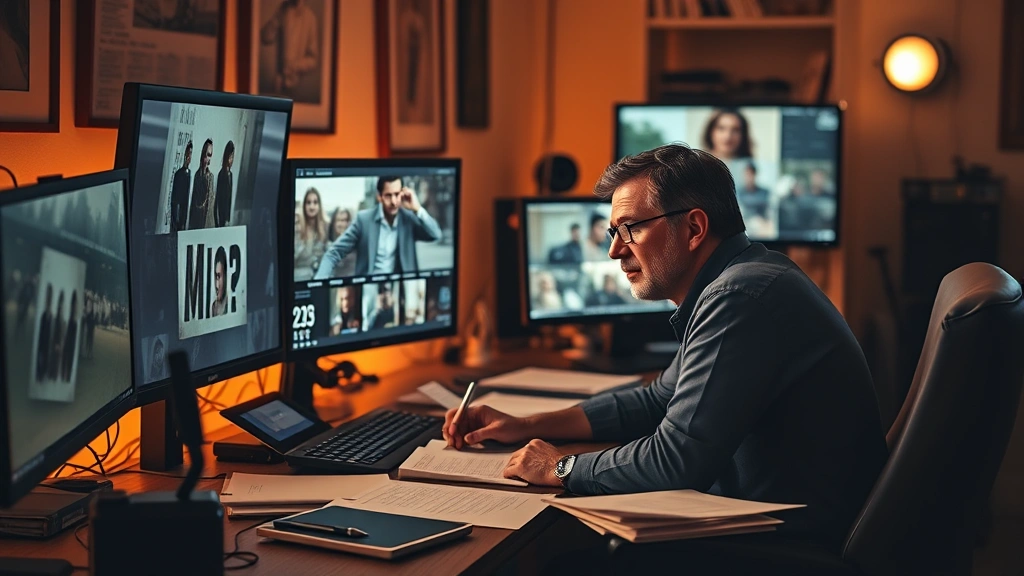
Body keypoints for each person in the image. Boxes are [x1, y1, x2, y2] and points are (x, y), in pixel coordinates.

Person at [445, 144, 887, 552]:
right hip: (781, 518)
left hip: (787, 542)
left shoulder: (738, 297)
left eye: (631, 228)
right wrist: (525, 425)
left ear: (694, 228)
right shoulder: (747, 276)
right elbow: (659, 397)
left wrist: (560, 468)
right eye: (612, 232)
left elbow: (676, 459)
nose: (616, 250)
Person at [314, 176, 442, 279]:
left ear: (402, 194)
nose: (393, 201)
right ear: (379, 196)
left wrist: (417, 208)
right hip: (368, 287)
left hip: (400, 288)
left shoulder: (408, 218)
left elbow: (435, 235)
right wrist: (318, 283)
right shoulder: (363, 220)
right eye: (388, 195)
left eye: (397, 194)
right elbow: (333, 253)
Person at [260, 0, 318, 97]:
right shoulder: (283, 12)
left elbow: (313, 59)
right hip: (278, 84)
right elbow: (265, 37)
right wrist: (277, 17)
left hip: (299, 86)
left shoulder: (310, 18)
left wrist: (295, 66)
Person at [294, 188, 328, 281]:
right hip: (298, 277)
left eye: (315, 202)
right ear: (304, 205)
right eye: (308, 203)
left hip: (317, 278)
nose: (312, 206)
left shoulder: (324, 228)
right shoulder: (297, 228)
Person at [188, 139, 214, 230]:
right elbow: (196, 204)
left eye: (210, 155)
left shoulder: (211, 177)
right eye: (207, 154)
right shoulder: (197, 176)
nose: (208, 158)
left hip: (207, 226)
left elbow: (210, 205)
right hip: (196, 224)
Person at [326, 207, 357, 277]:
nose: (342, 224)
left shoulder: (356, 245)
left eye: (344, 220)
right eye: (338, 220)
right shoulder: (328, 246)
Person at [170, 141, 192, 233]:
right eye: (187, 153)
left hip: (184, 216)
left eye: (190, 154)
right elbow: (175, 200)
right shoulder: (179, 174)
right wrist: (176, 220)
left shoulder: (190, 174)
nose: (188, 157)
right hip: (178, 217)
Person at [214, 141, 235, 228]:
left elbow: (229, 198)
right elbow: (219, 198)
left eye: (232, 157)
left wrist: (228, 218)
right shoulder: (222, 174)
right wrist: (218, 219)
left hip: (226, 217)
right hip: (220, 215)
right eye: (230, 156)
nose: (231, 159)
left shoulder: (230, 174)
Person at [35, 284, 53, 382]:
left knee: (44, 355)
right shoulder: (43, 314)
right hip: (42, 337)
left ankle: (41, 374)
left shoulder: (49, 314)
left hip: (46, 338)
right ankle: (40, 373)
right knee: (40, 355)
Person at [61, 291, 79, 382]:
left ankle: (67, 376)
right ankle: (64, 375)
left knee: (69, 356)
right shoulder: (69, 313)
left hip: (71, 333)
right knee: (66, 355)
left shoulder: (74, 317)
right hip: (68, 334)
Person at [49, 291, 65, 382]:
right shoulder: (59, 312)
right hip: (56, 339)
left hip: (56, 339)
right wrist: (57, 342)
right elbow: (58, 329)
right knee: (55, 357)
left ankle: (53, 375)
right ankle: (53, 375)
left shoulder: (59, 312)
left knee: (55, 357)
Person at [210, 248, 228, 317]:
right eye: (215, 278)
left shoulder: (232, 305)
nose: (216, 286)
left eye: (218, 277)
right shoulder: (214, 307)